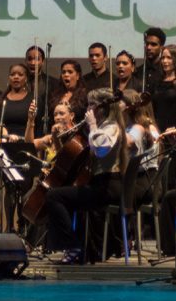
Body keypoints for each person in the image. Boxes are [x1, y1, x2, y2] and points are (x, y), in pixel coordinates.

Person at [45, 88, 127, 264]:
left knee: (54, 196)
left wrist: (92, 125)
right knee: (60, 194)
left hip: (107, 186)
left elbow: (101, 149)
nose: (88, 109)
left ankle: (73, 246)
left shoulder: (111, 127)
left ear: (102, 107)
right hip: (100, 184)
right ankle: (77, 247)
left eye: (91, 105)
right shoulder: (104, 126)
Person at [48, 60, 88, 125]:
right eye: (63, 72)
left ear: (77, 76)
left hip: (77, 133)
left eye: (70, 72)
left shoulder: (85, 95)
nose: (66, 75)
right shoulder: (55, 95)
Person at [137, 27, 165, 92]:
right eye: (146, 44)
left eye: (153, 44)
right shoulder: (137, 72)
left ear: (161, 47)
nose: (148, 47)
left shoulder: (165, 72)